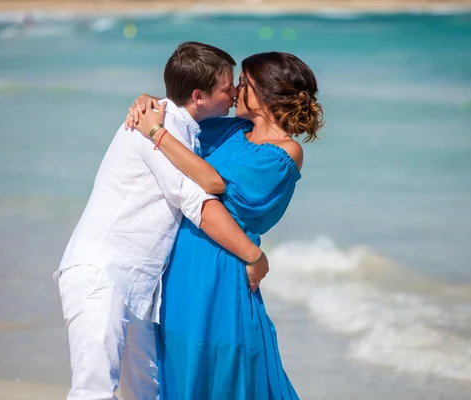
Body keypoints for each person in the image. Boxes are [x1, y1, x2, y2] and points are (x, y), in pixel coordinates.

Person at [53, 42, 269, 400]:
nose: (234, 94)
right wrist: (253, 256)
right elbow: (200, 197)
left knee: (146, 392)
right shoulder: (159, 126)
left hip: (139, 284)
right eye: (228, 87)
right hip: (101, 272)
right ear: (198, 96)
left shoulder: (179, 126)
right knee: (93, 391)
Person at [127, 51, 324, 399]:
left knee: (226, 371)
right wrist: (147, 102)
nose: (234, 90)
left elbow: (212, 182)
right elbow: (181, 114)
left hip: (222, 271)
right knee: (181, 366)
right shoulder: (231, 130)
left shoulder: (286, 152)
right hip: (180, 268)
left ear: (264, 94)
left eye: (243, 84)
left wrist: (155, 131)